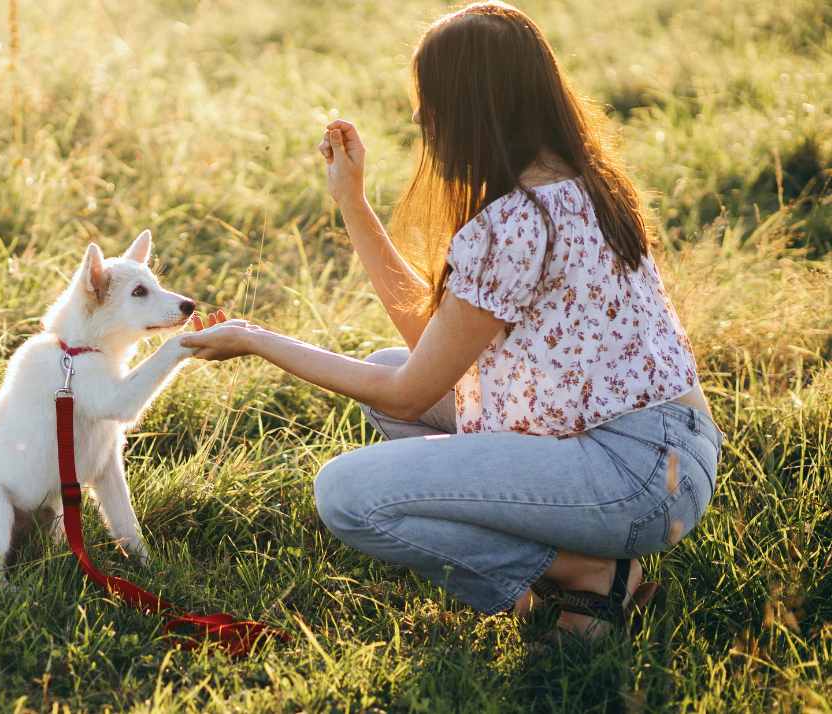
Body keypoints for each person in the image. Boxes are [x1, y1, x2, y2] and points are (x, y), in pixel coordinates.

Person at [180, 1, 723, 640]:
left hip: (633, 477)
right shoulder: (582, 185)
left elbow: (411, 393)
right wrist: (352, 203)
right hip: (667, 453)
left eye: (429, 109)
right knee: (386, 369)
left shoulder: (518, 222)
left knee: (347, 495)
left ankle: (589, 576)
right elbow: (428, 352)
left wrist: (253, 338)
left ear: (472, 109)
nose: (421, 124)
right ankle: (587, 571)